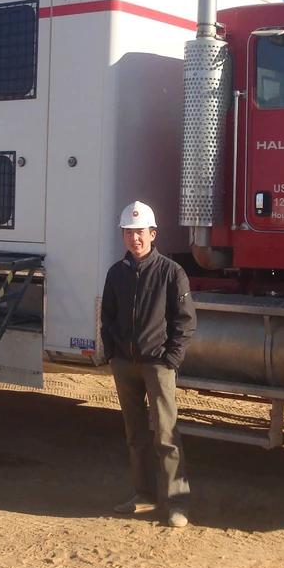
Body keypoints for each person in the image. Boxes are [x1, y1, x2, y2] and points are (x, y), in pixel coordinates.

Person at [100, 201, 196, 528]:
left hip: (158, 365)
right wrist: (113, 354)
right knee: (135, 434)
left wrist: (170, 360)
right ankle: (143, 495)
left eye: (140, 232)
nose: (135, 238)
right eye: (129, 232)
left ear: (153, 234)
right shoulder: (116, 273)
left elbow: (185, 322)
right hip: (125, 364)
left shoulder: (171, 272)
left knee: (166, 434)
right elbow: (107, 316)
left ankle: (177, 503)